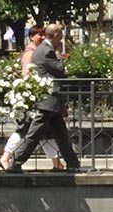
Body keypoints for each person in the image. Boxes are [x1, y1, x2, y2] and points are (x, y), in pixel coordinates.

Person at [5, 21, 82, 172]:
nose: (61, 40)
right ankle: (15, 163)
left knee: (61, 135)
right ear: (56, 35)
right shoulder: (47, 51)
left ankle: (73, 164)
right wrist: (60, 55)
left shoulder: (41, 49)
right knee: (33, 136)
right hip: (47, 101)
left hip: (51, 102)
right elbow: (60, 69)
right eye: (60, 36)